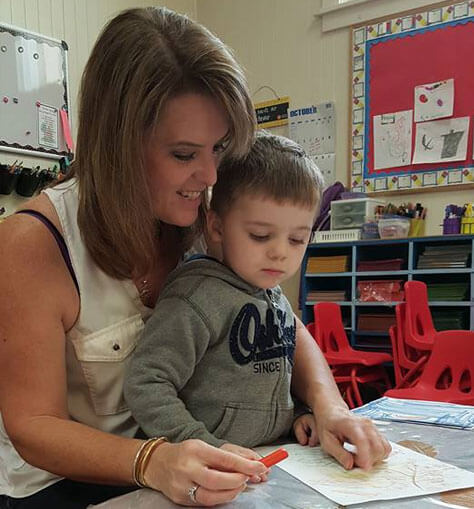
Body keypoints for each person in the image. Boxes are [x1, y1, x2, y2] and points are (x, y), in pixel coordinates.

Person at [0, 6, 390, 509]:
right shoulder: (32, 244)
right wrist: (154, 459)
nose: (209, 176)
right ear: (115, 148)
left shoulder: (200, 215)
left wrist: (329, 404)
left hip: (181, 464)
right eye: (184, 154)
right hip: (62, 484)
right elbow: (33, 427)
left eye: (219, 149)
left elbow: (280, 317)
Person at [124, 133, 323, 451]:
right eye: (260, 235)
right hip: (207, 473)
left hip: (269, 460)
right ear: (216, 228)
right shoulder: (195, 299)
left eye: (297, 239)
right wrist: (201, 444)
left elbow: (273, 379)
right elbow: (147, 383)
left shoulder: (273, 295)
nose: (280, 253)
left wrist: (299, 414)